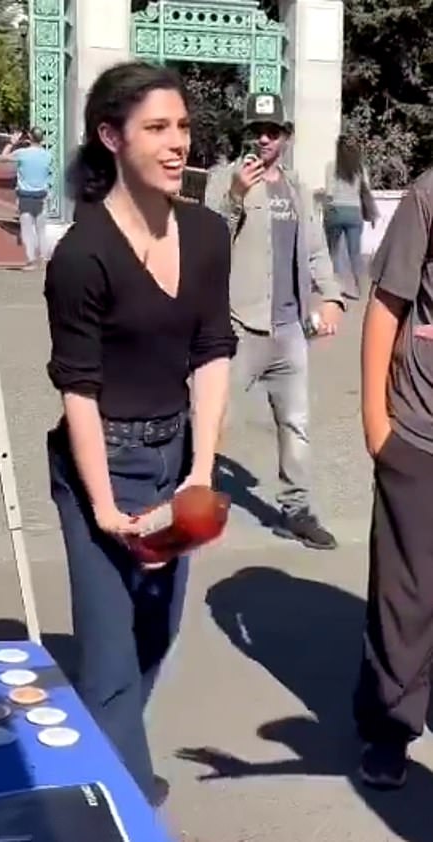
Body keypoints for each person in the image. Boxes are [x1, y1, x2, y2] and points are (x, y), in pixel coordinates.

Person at [44, 61, 236, 806]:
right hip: (102, 463)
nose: (177, 141)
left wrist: (203, 468)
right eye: (157, 127)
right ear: (110, 137)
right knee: (110, 662)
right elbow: (78, 389)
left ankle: (115, 760)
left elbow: (214, 348)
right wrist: (100, 507)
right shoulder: (82, 254)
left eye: (183, 126)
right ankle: (123, 804)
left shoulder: (209, 232)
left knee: (156, 636)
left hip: (175, 459)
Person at [205, 93, 344, 550]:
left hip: (289, 332)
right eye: (256, 131)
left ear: (285, 136)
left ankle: (297, 512)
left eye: (273, 131)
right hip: (238, 326)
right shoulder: (224, 179)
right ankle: (189, 501)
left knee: (296, 426)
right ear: (245, 134)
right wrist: (235, 197)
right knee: (210, 417)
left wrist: (331, 298)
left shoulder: (298, 189)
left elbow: (316, 251)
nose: (264, 139)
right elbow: (207, 244)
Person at [354, 170, 433, 789]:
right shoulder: (430, 194)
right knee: (405, 597)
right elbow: (386, 306)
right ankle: (389, 726)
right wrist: (377, 423)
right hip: (420, 432)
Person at [323, 135, 377, 299]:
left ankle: (332, 288)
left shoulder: (332, 167)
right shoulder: (360, 168)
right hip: (355, 213)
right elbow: (366, 190)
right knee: (355, 253)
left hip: (336, 212)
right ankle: (360, 290)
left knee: (330, 251)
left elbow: (330, 193)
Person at [1, 127, 51, 270]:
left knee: (27, 229)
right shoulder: (47, 155)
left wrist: (11, 143)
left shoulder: (22, 153)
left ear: (29, 137)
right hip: (41, 195)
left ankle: (31, 260)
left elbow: (3, 157)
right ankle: (44, 257)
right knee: (41, 229)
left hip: (26, 196)